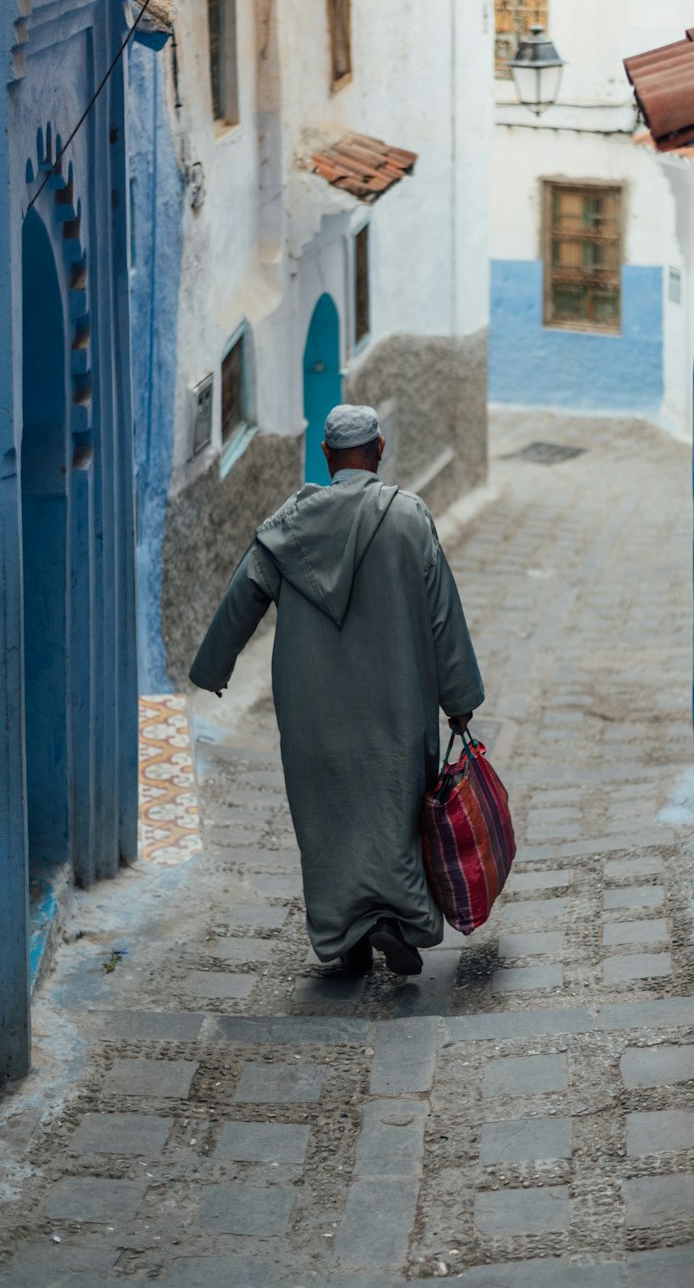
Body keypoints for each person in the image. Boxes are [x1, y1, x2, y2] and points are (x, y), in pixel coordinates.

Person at [189, 404, 484, 977]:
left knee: (328, 820)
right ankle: (393, 921)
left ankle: (345, 932)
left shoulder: (288, 527)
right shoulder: (409, 518)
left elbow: (243, 594)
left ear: (325, 456)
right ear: (379, 450)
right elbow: (442, 613)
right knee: (395, 814)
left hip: (312, 711)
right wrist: (460, 698)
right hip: (398, 706)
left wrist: (212, 669)